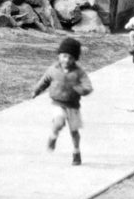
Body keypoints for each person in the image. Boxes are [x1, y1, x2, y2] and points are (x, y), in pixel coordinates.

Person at [32, 37, 94, 166]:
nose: (67, 60)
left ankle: (76, 152)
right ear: (59, 55)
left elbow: (88, 87)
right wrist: (36, 91)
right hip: (58, 102)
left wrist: (79, 89)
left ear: (75, 59)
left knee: (74, 131)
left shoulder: (79, 72)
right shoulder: (53, 69)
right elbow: (44, 81)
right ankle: (53, 136)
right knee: (59, 122)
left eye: (71, 58)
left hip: (73, 105)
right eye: (64, 56)